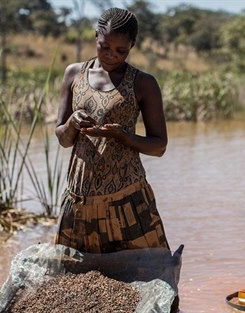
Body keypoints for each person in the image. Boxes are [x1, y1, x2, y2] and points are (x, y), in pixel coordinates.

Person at [54, 7, 170, 254]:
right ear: (96, 36)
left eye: (121, 51)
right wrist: (73, 122)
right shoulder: (74, 73)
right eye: (105, 46)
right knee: (76, 280)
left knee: (147, 275)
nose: (111, 55)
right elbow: (63, 139)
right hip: (80, 199)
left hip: (127, 202)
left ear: (133, 45)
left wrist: (123, 136)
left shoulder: (143, 83)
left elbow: (159, 146)